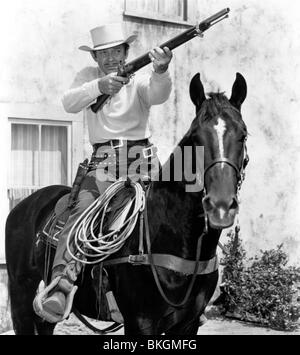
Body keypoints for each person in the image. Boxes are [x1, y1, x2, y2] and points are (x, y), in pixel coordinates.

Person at [36, 23, 173, 322]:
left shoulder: (138, 78)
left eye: (116, 51)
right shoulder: (88, 78)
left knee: (172, 208)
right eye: (104, 54)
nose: (111, 58)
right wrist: (100, 86)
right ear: (96, 59)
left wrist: (161, 71)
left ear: (126, 52)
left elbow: (158, 94)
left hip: (142, 157)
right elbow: (68, 103)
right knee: (81, 209)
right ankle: (62, 284)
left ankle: (184, 283)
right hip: (104, 159)